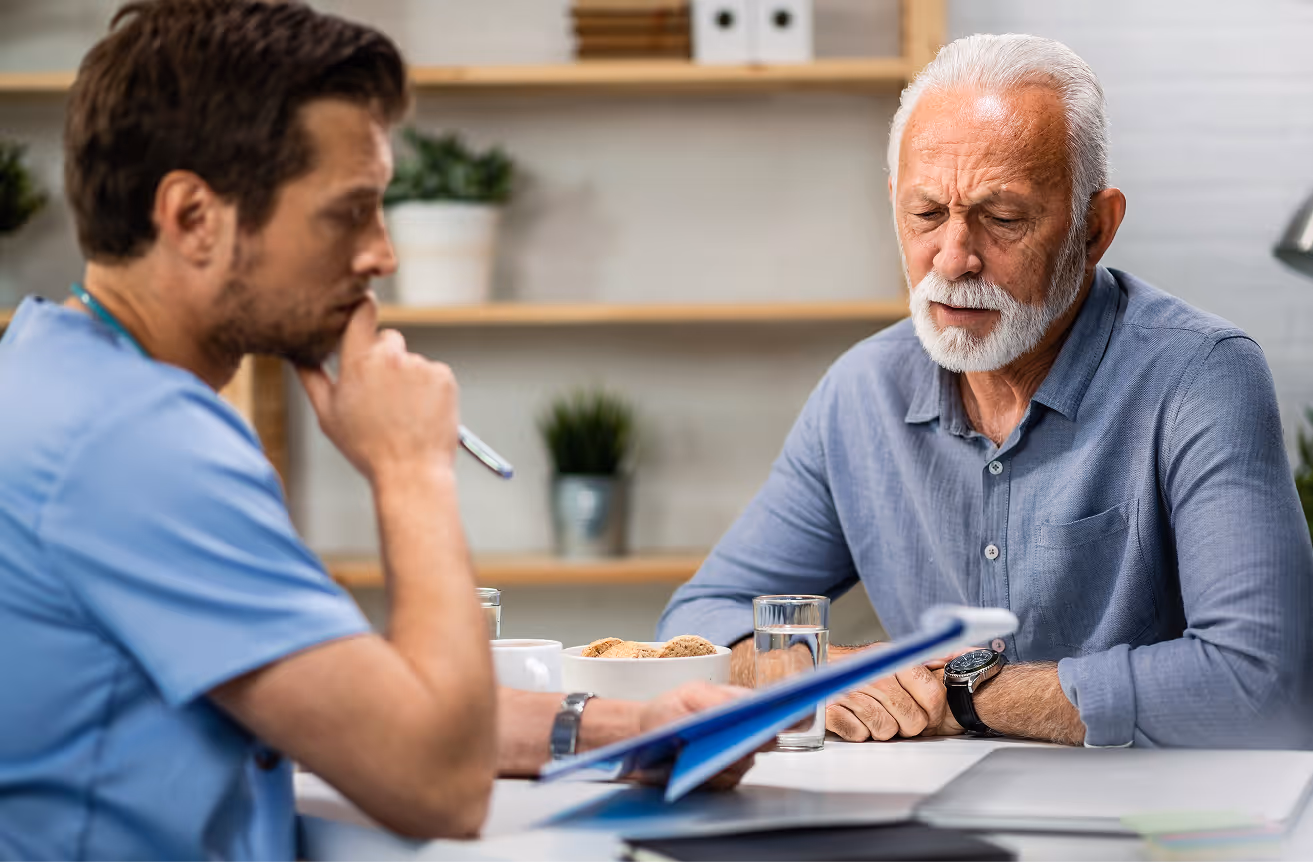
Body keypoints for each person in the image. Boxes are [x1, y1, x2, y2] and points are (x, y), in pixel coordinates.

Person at [0, 2, 748, 860]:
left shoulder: (56, 367)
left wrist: (624, 726)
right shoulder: (140, 446)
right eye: (348, 210)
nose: (383, 253)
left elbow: (353, 697)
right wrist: (409, 467)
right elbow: (440, 782)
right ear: (193, 217)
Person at [659, 33, 1313, 751]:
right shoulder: (861, 391)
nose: (952, 259)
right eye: (925, 213)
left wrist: (963, 691)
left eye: (1002, 220)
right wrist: (810, 671)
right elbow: (699, 622)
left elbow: (1260, 684)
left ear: (1094, 228)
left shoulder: (1200, 375)